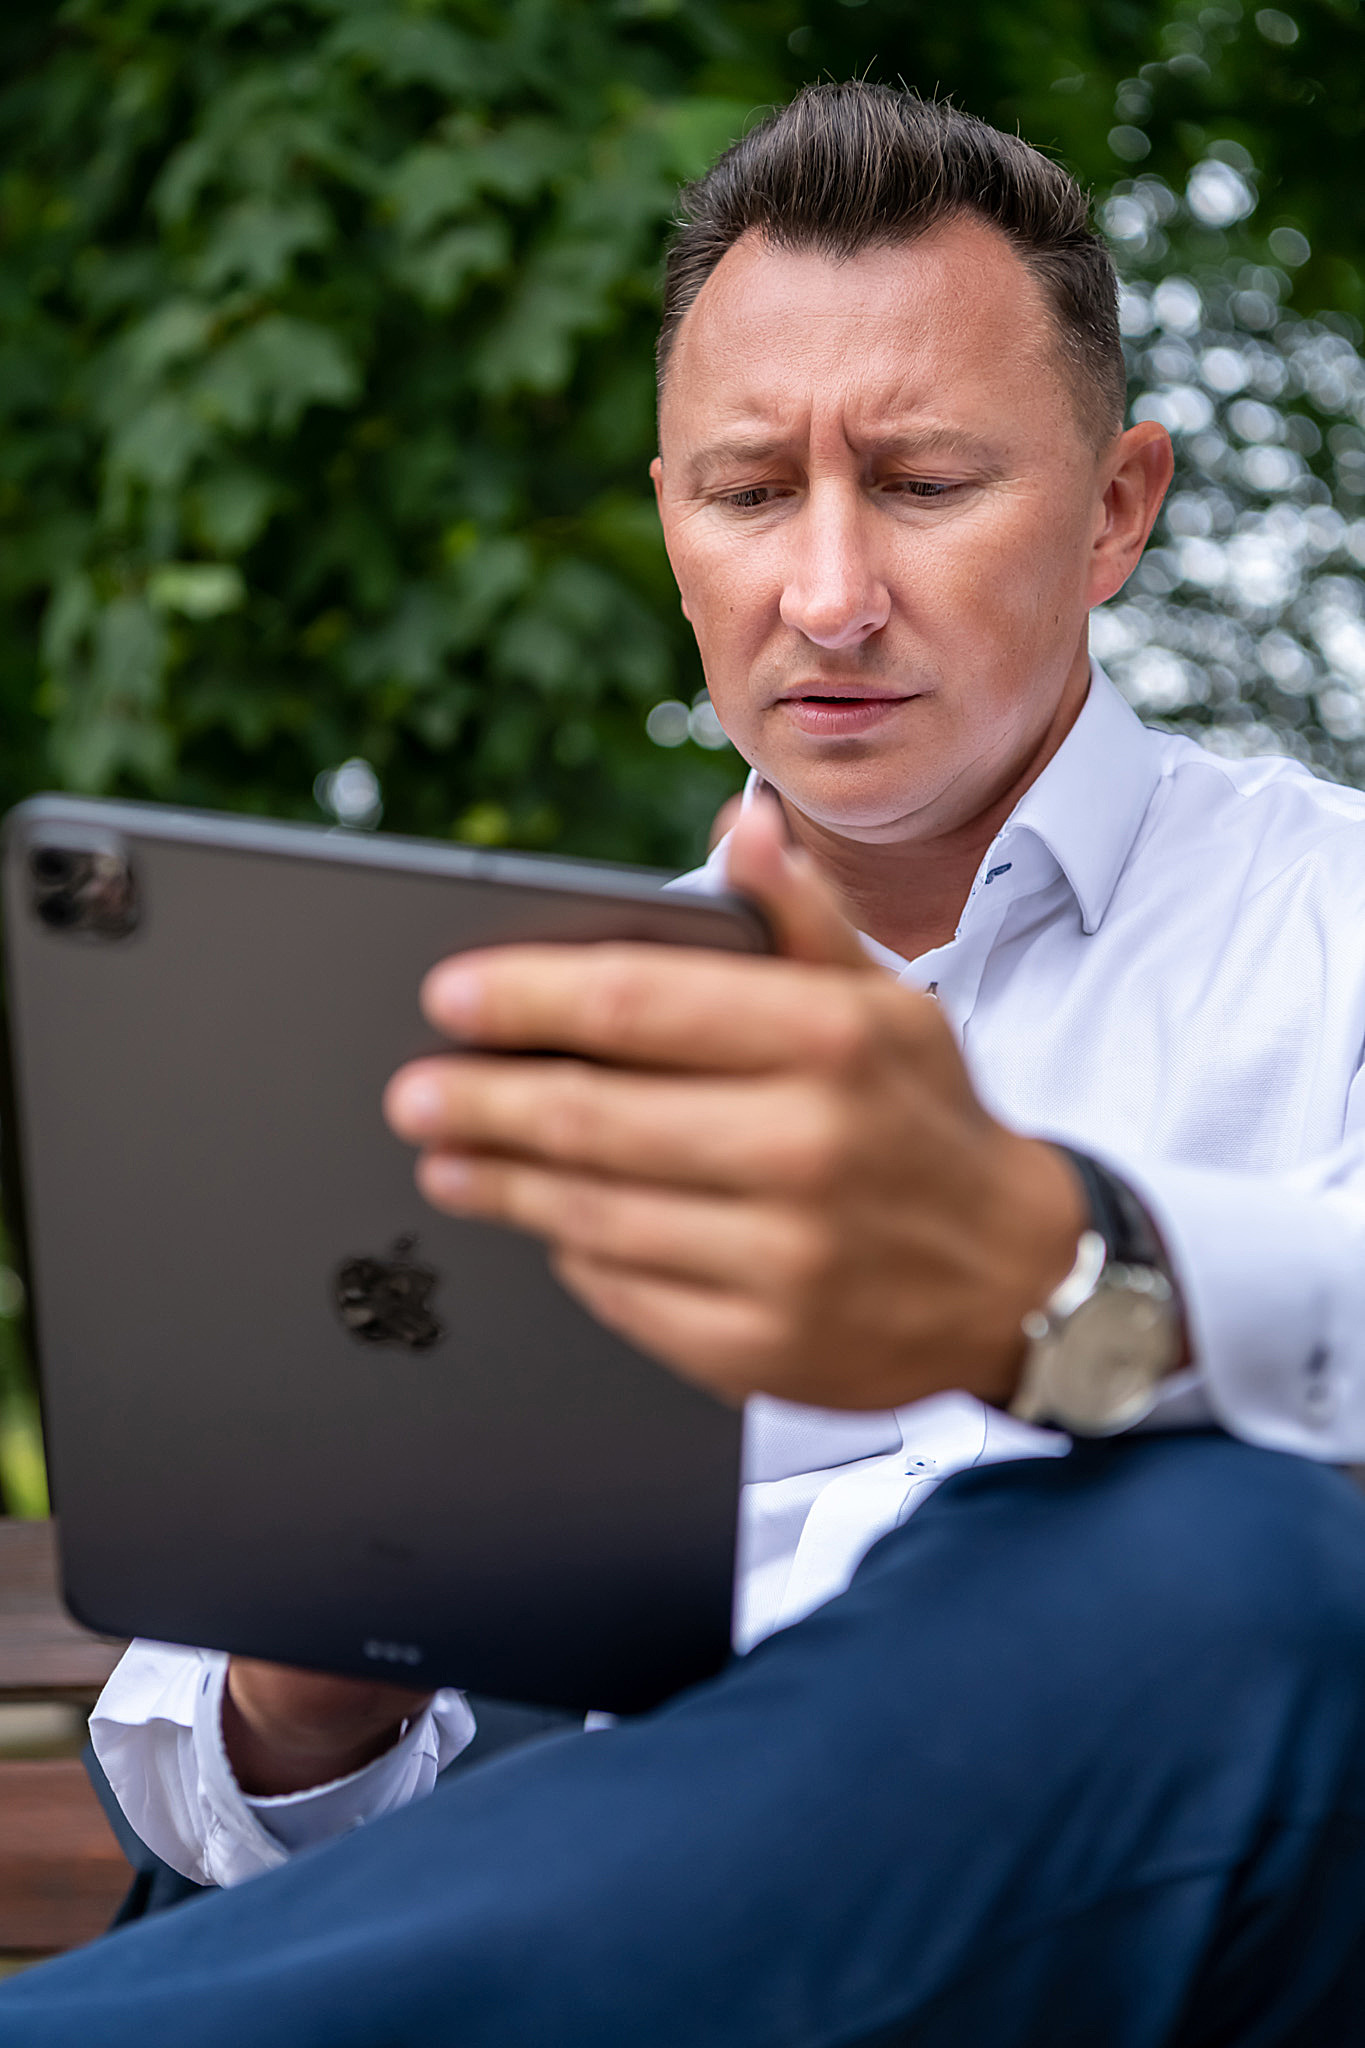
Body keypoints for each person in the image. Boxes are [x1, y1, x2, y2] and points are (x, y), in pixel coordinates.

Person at [8, 81, 1365, 2044]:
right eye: (747, 493)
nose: (822, 596)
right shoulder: (494, 1024)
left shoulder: (1331, 920)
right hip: (615, 1884)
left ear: (1113, 510)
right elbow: (226, 1806)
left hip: (1173, 1869)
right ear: (669, 525)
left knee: (1225, 1556)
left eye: (915, 482)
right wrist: (326, 1669)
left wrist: (1059, 1277)